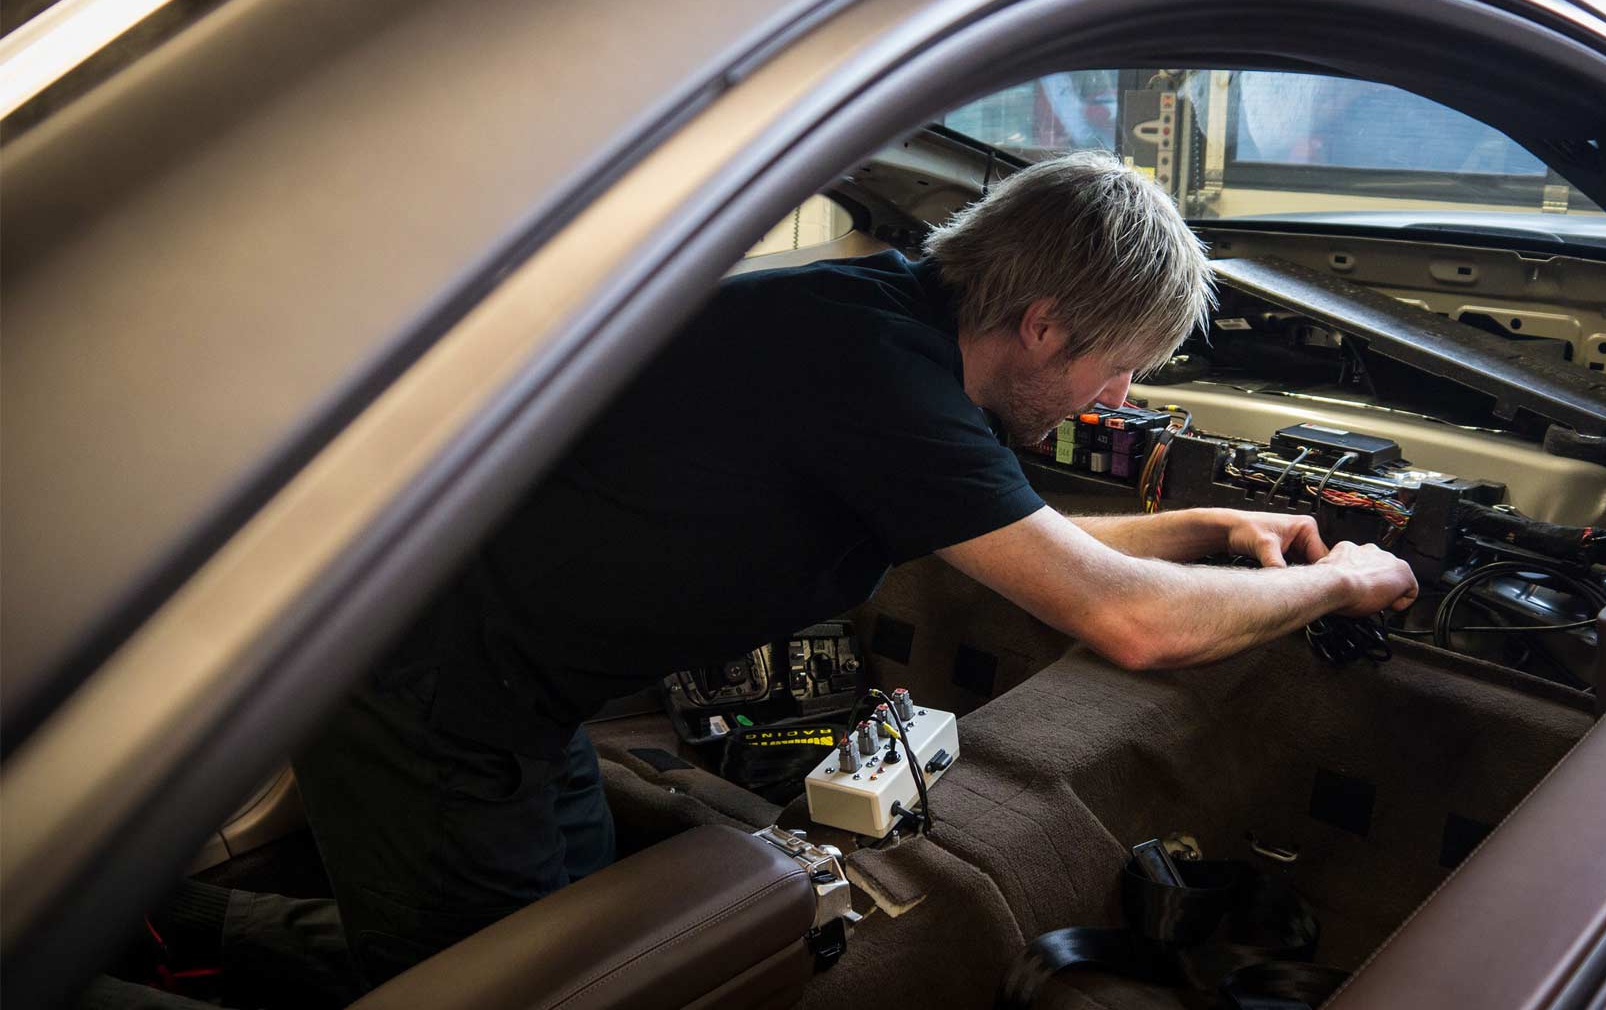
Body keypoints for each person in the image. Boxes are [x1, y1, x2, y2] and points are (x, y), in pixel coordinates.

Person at [176, 150, 1418, 1000]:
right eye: (1119, 364)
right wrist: (1344, 581)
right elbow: (1130, 623)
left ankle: (203, 926)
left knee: (558, 933)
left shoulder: (891, 332)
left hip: (524, 696)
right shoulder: (872, 376)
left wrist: (1207, 528)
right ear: (1043, 323)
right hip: (431, 699)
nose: (1118, 397)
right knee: (517, 986)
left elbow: (1033, 544)